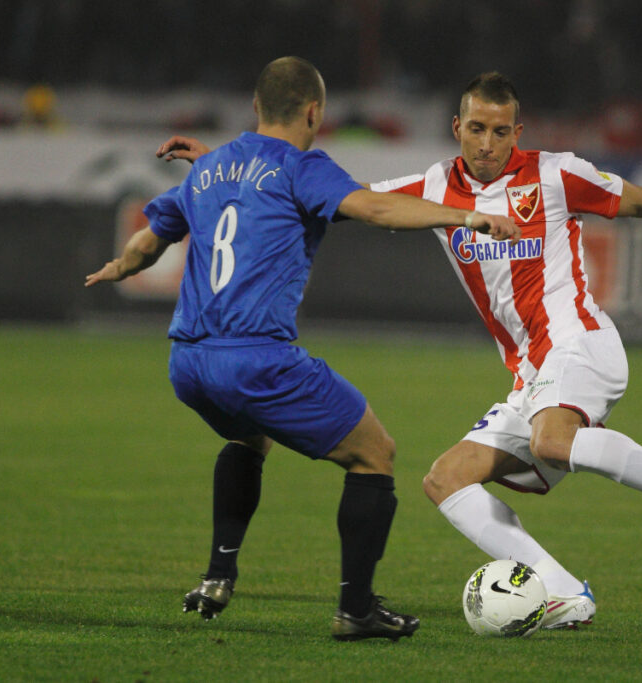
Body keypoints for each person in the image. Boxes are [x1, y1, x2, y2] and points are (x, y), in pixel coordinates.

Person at [158, 71, 642, 633]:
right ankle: (564, 591)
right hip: (529, 373)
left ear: (518, 131)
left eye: (500, 131)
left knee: (552, 441)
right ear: (456, 126)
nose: (487, 144)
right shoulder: (433, 184)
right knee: (445, 479)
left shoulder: (554, 173)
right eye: (476, 129)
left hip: (580, 342)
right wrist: (224, 160)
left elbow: (639, 201)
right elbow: (332, 193)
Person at [85, 57, 520, 642]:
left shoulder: (209, 167)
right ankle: (356, 610)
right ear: (315, 112)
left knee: (249, 435)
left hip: (187, 361)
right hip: (256, 357)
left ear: (257, 108)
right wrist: (468, 215)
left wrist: (119, 266)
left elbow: (149, 238)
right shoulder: (301, 166)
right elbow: (374, 208)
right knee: (375, 455)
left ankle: (218, 577)